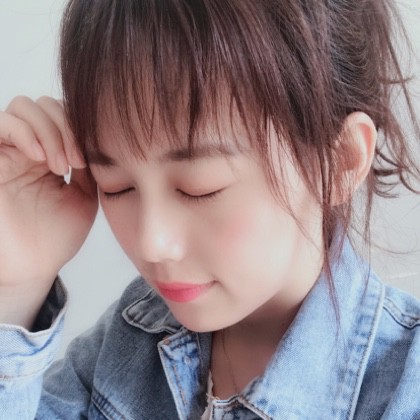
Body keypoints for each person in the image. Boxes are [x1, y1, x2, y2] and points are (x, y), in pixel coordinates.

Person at [0, 0, 419, 418]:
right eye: (117, 187)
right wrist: (17, 288)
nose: (151, 244)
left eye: (199, 188)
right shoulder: (125, 344)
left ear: (339, 163)